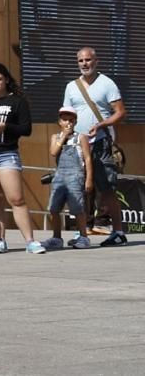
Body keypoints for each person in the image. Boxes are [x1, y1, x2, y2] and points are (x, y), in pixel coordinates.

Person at [0, 63, 45, 254]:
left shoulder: (18, 101)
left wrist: (4, 127)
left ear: (6, 79)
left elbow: (26, 129)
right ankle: (0, 240)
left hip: (7, 153)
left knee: (16, 198)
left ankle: (30, 241)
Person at [62, 47, 127, 245]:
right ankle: (82, 233)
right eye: (80, 60)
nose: (84, 64)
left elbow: (120, 112)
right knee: (79, 189)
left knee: (106, 188)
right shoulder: (71, 86)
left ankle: (118, 232)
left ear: (96, 61)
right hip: (78, 144)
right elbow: (65, 114)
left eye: (88, 60)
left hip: (101, 142)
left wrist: (101, 124)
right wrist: (65, 135)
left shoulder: (107, 83)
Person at [43, 107, 93, 250]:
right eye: (65, 120)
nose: (68, 123)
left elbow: (87, 158)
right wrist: (63, 136)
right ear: (59, 121)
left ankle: (83, 236)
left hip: (75, 175)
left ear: (75, 122)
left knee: (77, 207)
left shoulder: (80, 137)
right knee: (54, 208)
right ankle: (56, 237)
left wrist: (88, 178)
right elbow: (53, 152)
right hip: (59, 176)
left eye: (71, 120)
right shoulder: (55, 137)